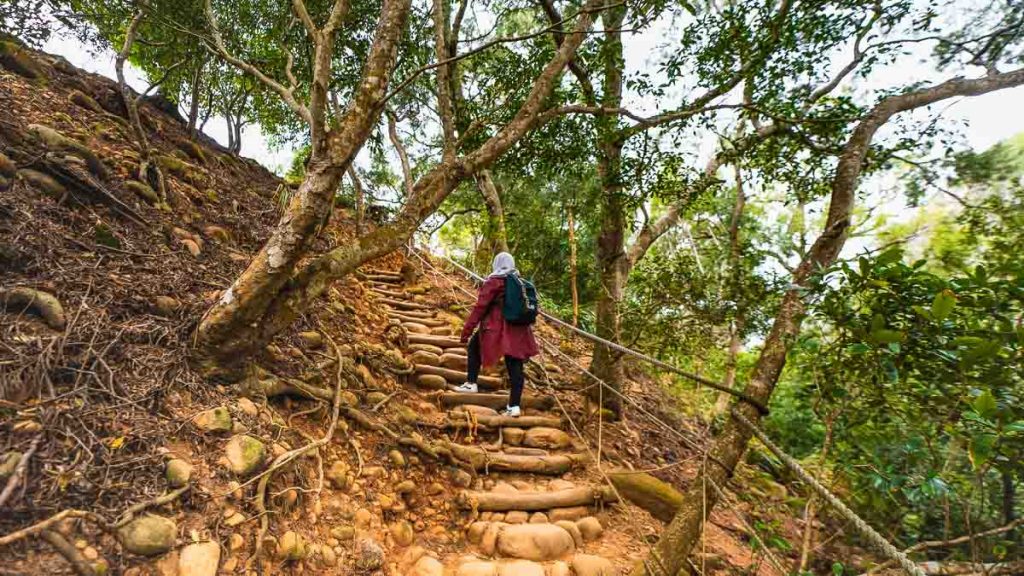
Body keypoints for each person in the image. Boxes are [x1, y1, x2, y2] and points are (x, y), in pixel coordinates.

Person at [455, 252, 539, 417]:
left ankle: (471, 383)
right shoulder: (519, 282)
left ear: (497, 263)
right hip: (519, 330)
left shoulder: (494, 282)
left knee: (473, 347)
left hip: (497, 328)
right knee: (515, 365)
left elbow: (480, 308)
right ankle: (514, 406)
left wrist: (467, 330)